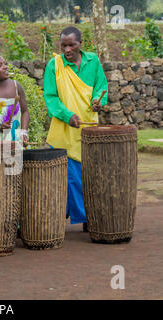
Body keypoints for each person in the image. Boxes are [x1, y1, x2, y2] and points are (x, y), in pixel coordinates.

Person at [43, 26, 108, 231]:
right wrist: (67, 115)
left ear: (81, 43)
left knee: (91, 174)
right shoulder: (54, 65)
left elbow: (101, 86)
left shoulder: (93, 61)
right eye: (63, 45)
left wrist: (99, 100)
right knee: (72, 178)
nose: (67, 49)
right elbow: (51, 97)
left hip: (89, 126)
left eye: (72, 44)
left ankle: (88, 214)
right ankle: (84, 216)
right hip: (65, 128)